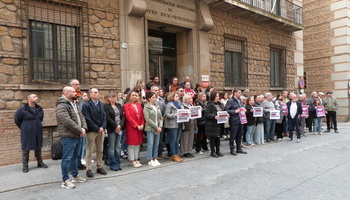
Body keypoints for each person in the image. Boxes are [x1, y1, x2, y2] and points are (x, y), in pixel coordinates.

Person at [56, 87, 87, 189]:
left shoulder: (74, 103)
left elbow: (81, 116)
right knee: (67, 159)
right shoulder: (61, 106)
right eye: (73, 92)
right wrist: (80, 130)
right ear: (67, 93)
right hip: (68, 137)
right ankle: (65, 180)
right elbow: (67, 121)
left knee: (75, 157)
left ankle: (75, 175)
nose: (76, 93)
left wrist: (84, 128)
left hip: (78, 135)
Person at [14, 94, 47, 173]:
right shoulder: (22, 109)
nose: (37, 98)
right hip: (27, 132)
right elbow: (17, 120)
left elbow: (40, 118)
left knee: (38, 147)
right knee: (26, 148)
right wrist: (24, 127)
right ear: (29, 99)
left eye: (36, 97)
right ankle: (25, 166)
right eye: (34, 97)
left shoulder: (39, 108)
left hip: (37, 130)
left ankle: (40, 162)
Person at [82, 88, 107, 178]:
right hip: (92, 131)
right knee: (90, 150)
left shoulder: (101, 104)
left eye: (97, 92)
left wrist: (102, 127)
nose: (97, 94)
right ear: (90, 94)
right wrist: (96, 128)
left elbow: (104, 116)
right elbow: (87, 118)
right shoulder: (86, 105)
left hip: (101, 130)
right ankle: (88, 169)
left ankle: (99, 166)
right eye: (95, 92)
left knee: (100, 149)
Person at [69, 79, 87, 170]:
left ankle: (79, 162)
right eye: (76, 84)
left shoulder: (80, 97)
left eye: (79, 84)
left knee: (80, 145)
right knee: (72, 147)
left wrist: (83, 126)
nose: (78, 86)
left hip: (81, 125)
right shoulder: (67, 99)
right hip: (72, 127)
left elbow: (82, 112)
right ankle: (70, 166)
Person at [123, 91, 145, 168]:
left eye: (136, 95)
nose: (135, 96)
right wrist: (136, 125)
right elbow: (129, 117)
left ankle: (136, 158)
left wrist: (142, 124)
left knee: (138, 143)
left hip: (140, 127)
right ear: (129, 96)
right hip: (132, 127)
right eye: (133, 95)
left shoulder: (139, 105)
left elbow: (142, 115)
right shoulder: (126, 106)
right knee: (132, 144)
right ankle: (132, 160)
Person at [104, 92, 125, 171]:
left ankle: (118, 163)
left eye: (115, 97)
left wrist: (120, 125)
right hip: (112, 129)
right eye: (113, 97)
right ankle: (112, 164)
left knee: (118, 147)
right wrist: (116, 126)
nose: (114, 98)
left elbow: (122, 117)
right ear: (109, 98)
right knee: (112, 147)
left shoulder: (119, 105)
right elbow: (108, 118)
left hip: (119, 128)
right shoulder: (106, 107)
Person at [225, 88, 247, 156]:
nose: (240, 94)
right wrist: (234, 111)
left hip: (240, 119)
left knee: (239, 135)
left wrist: (243, 109)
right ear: (235, 93)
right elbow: (226, 110)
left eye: (240, 92)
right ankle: (232, 149)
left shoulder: (239, 100)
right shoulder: (230, 101)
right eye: (239, 92)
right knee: (233, 136)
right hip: (234, 120)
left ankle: (239, 148)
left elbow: (241, 107)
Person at [144, 91, 163, 167]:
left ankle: (155, 157)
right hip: (151, 128)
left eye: (155, 97)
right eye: (153, 97)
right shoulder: (147, 107)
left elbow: (160, 117)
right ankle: (149, 159)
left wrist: (160, 126)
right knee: (150, 144)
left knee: (156, 144)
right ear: (149, 98)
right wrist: (156, 127)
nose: (155, 99)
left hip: (158, 128)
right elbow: (148, 119)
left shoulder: (157, 106)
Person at [164, 92, 183, 162]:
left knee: (177, 140)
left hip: (179, 123)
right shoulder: (169, 105)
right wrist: (174, 115)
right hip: (172, 124)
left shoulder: (180, 105)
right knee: (173, 140)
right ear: (172, 97)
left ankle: (177, 153)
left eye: (178, 96)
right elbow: (167, 114)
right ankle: (173, 154)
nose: (178, 97)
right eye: (176, 96)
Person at [205, 92, 224, 158]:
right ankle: (213, 151)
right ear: (213, 97)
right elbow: (207, 114)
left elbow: (223, 111)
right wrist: (214, 116)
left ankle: (218, 151)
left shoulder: (220, 104)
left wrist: (226, 115)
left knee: (218, 138)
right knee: (213, 138)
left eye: (218, 96)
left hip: (219, 123)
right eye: (216, 96)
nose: (218, 97)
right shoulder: (210, 104)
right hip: (212, 124)